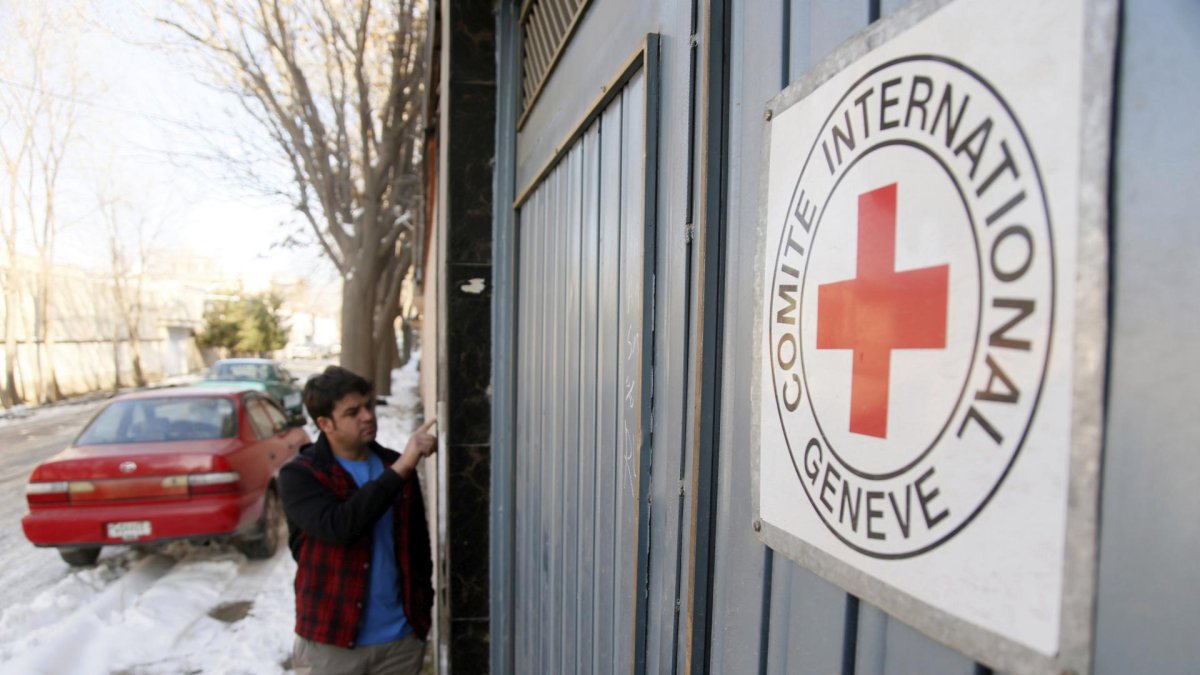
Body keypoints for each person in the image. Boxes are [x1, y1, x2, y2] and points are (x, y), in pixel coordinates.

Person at [279, 366, 437, 675]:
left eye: (368, 405)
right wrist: (403, 468)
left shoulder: (392, 464)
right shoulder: (301, 475)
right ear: (325, 423)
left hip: (400, 642)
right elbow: (340, 527)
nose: (367, 416)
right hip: (332, 643)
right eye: (353, 412)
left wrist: (421, 613)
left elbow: (418, 545)